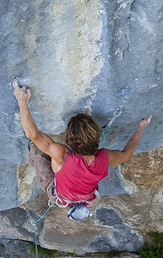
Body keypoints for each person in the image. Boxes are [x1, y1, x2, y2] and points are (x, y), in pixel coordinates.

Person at [12, 77, 151, 214]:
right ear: (96, 137)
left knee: (37, 150)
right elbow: (126, 154)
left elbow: (33, 135)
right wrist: (140, 128)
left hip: (61, 195)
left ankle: (37, 154)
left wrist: (22, 101)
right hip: (84, 197)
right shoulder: (105, 157)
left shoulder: (61, 155)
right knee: (47, 150)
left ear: (69, 141)